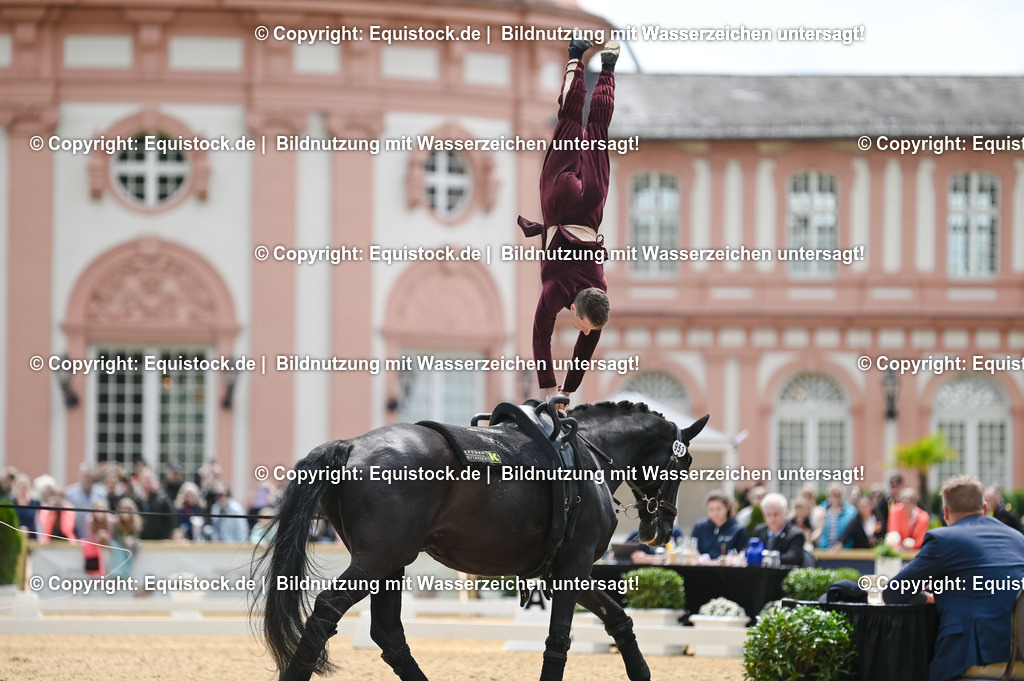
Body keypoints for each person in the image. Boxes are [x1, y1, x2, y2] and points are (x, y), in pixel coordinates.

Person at [518, 37, 618, 399]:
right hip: (559, 203)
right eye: (583, 326)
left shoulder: (599, 297)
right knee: (571, 120)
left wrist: (565, 390)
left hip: (589, 207)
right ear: (576, 310)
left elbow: (583, 347)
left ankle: (607, 65)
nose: (584, 332)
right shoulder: (559, 291)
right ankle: (576, 54)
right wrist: (553, 390)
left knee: (594, 129)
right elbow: (540, 335)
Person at [884, 475, 1024, 681]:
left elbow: (893, 592)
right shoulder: (1018, 538)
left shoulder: (943, 540)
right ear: (985, 509)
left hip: (973, 659)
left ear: (946, 513)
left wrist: (925, 597)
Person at [751, 493, 806, 567]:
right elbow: (747, 551)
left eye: (776, 514)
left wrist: (763, 557)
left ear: (785, 513)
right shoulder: (759, 531)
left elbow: (792, 558)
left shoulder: (795, 534)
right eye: (768, 515)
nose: (772, 519)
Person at [691, 490, 748, 558]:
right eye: (711, 509)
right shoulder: (699, 527)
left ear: (727, 508)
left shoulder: (738, 530)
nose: (715, 513)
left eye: (719, 509)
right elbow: (692, 550)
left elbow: (741, 555)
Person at [64, 462, 108, 541]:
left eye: (89, 476)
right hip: (75, 540)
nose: (87, 479)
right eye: (85, 476)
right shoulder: (69, 494)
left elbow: (106, 518)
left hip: (96, 541)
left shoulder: (101, 494)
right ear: (80, 476)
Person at [816, 483, 856, 549]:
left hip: (846, 551)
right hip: (825, 551)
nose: (836, 498)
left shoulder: (851, 511)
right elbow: (818, 530)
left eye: (838, 495)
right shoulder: (821, 510)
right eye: (834, 495)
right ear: (828, 495)